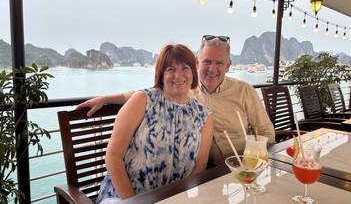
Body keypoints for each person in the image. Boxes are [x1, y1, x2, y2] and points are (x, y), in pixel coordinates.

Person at [78, 35, 275, 165]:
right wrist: (106, 98)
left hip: (242, 165)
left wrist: (252, 158)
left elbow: (267, 132)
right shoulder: (185, 89)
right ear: (198, 62)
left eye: (219, 63)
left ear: (228, 65)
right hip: (205, 173)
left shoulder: (244, 91)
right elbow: (148, 95)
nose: (212, 69)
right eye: (207, 61)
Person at [95, 43, 213, 203]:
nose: (178, 75)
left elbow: (200, 165)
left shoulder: (203, 115)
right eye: (170, 69)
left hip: (174, 199)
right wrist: (133, 202)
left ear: (193, 72)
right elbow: (113, 156)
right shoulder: (142, 101)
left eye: (185, 68)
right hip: (124, 197)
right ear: (161, 74)